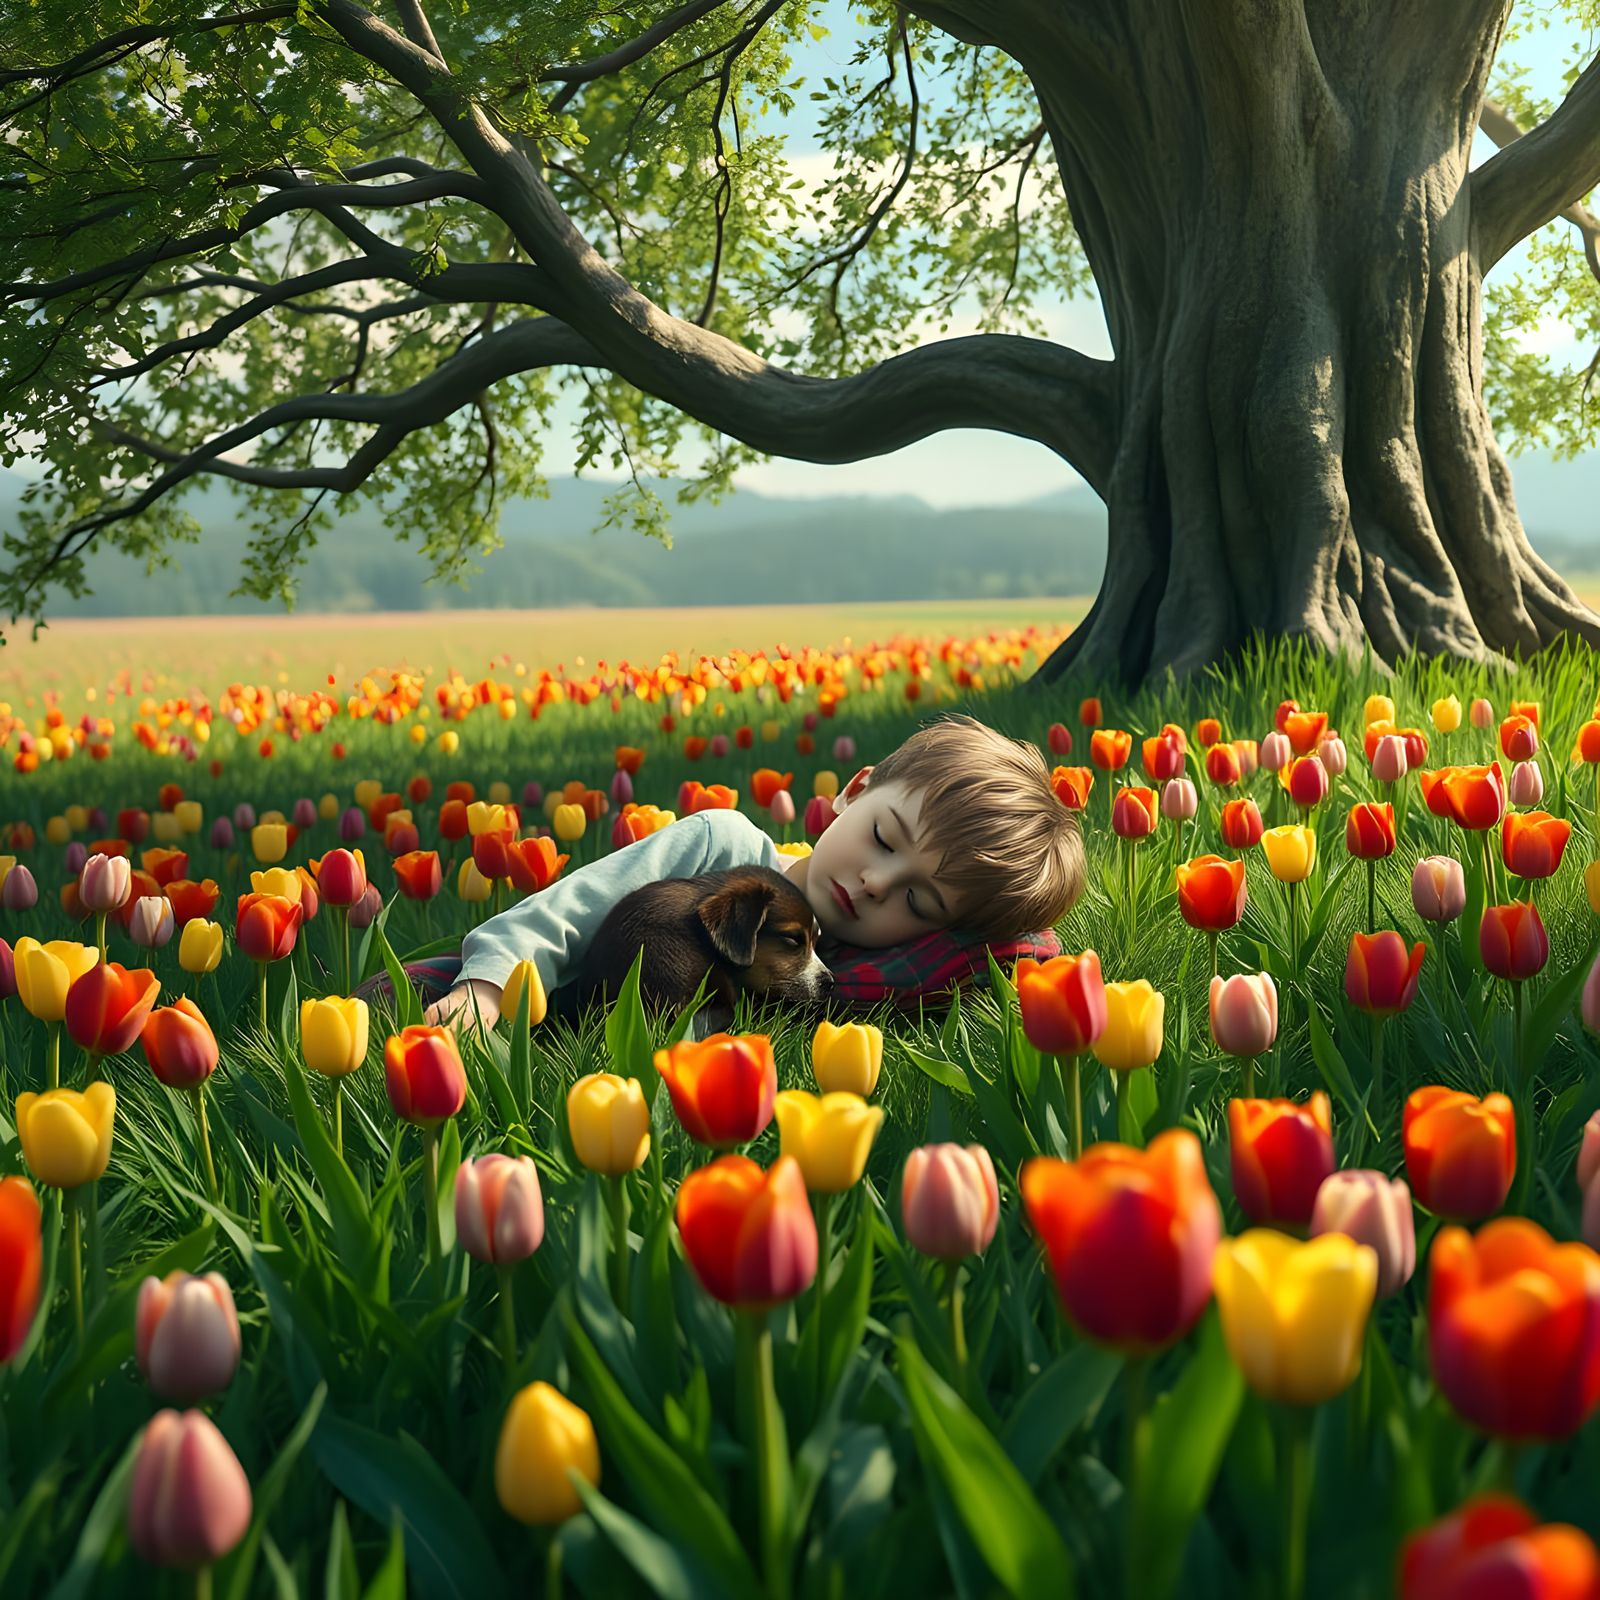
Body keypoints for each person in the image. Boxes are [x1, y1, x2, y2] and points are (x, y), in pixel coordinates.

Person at [420, 712, 1085, 1034]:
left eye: (918, 899)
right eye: (884, 837)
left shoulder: (862, 973)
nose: (877, 884)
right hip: (537, 1010)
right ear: (855, 791)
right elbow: (569, 910)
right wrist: (487, 990)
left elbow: (1001, 980)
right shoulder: (720, 843)